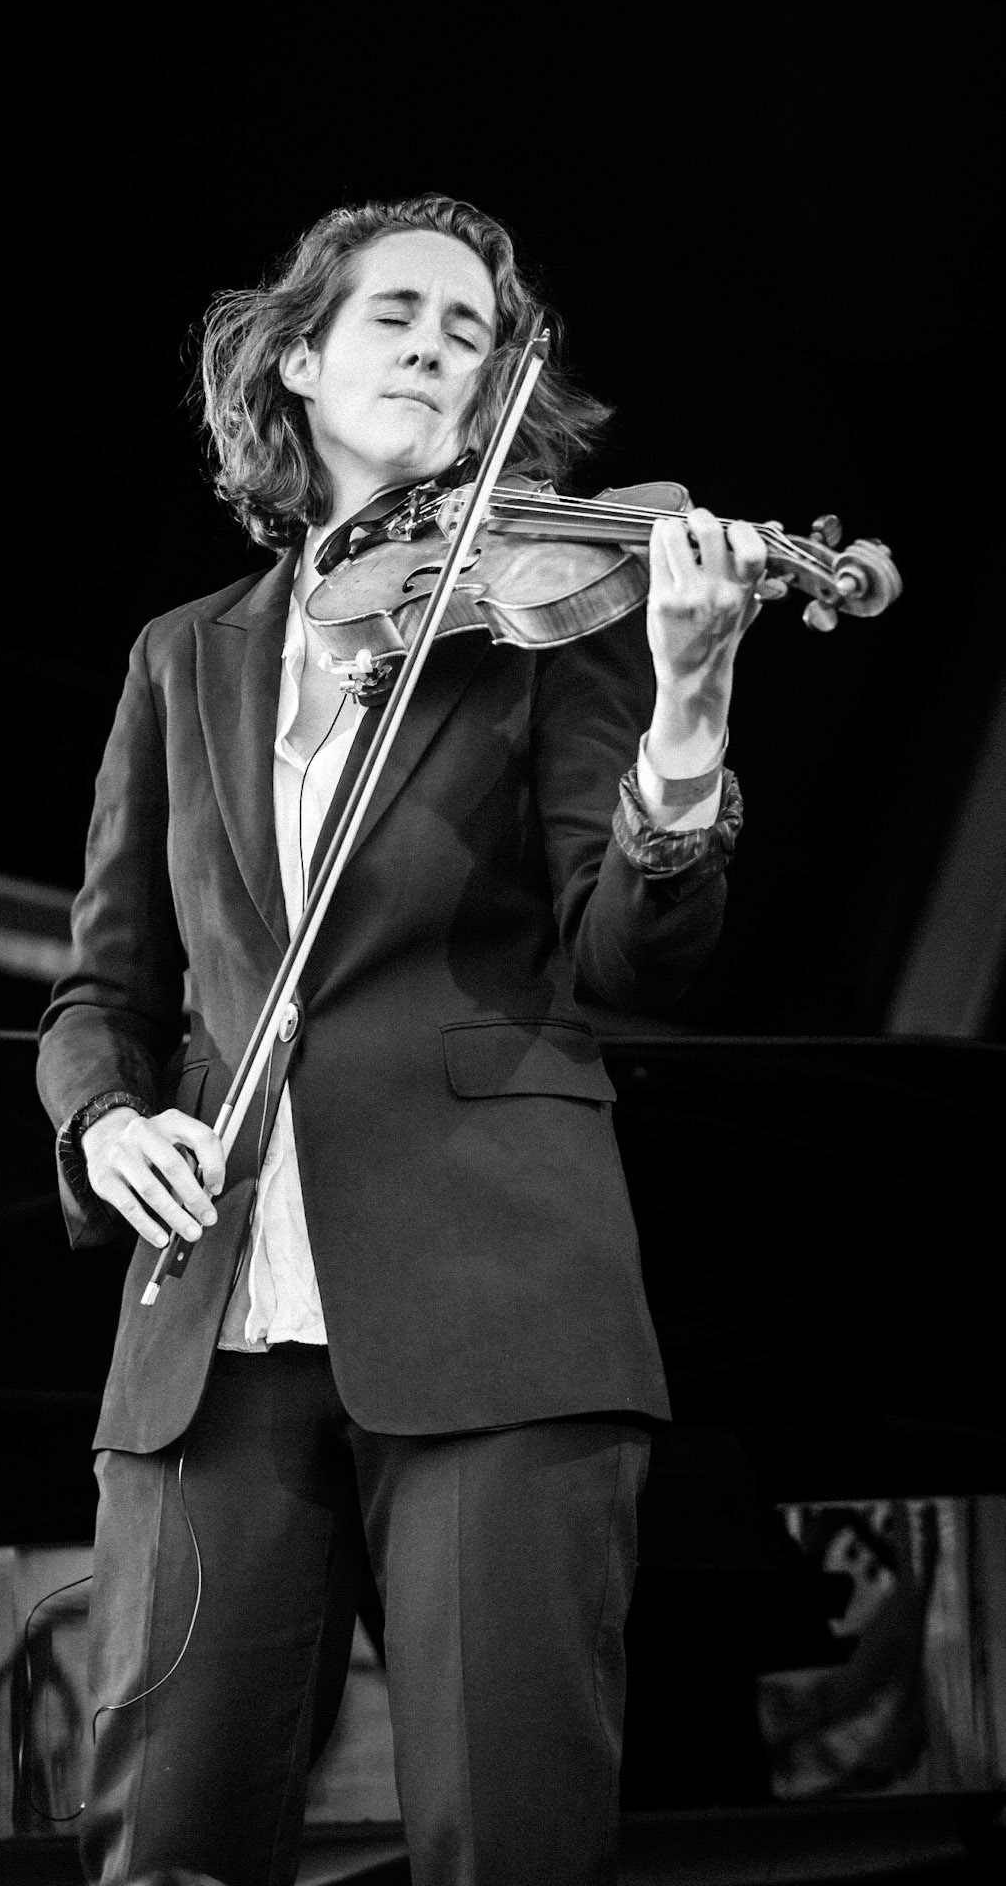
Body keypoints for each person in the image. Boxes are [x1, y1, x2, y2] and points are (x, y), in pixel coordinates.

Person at [37, 193, 771, 1885]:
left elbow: (632, 956)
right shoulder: (182, 657)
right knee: (167, 1850)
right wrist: (101, 1123)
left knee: (503, 1839)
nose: (442, 345)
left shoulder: (545, 622)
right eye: (401, 314)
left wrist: (686, 714)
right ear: (298, 356)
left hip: (498, 1303)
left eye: (472, 330)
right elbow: (103, 990)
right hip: (209, 1326)